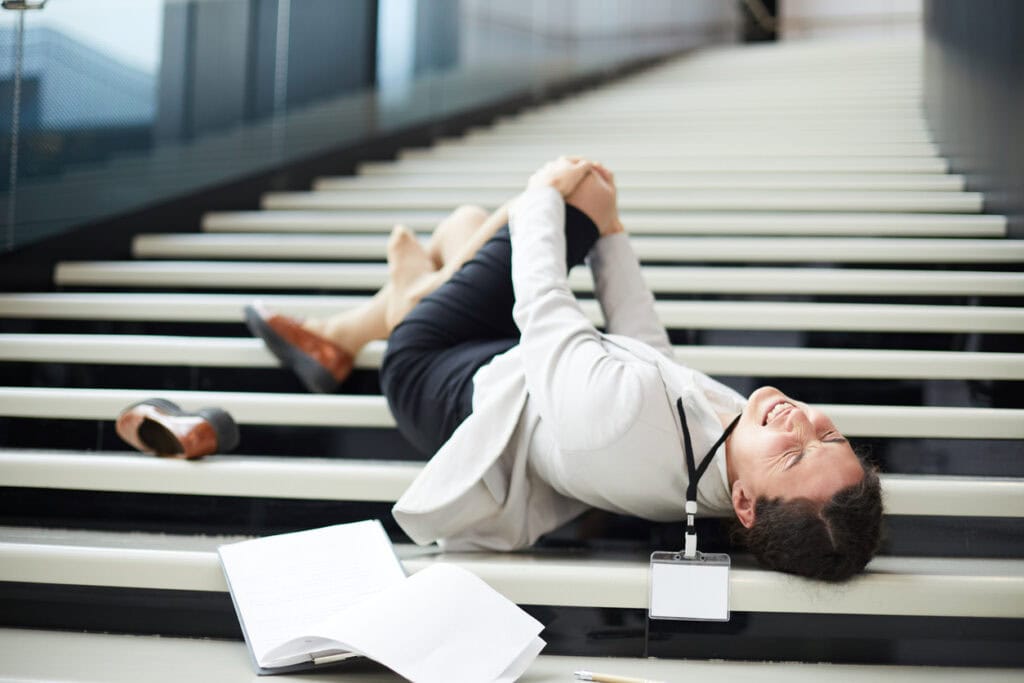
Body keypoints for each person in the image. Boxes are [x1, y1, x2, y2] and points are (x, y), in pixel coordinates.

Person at [246, 157, 883, 582]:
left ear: (745, 504)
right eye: (829, 435)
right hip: (516, 372)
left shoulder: (626, 422)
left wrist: (544, 193)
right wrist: (613, 234)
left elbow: (544, 303)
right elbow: (648, 354)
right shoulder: (721, 458)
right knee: (467, 225)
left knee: (580, 191)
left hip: (432, 371)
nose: (802, 422)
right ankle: (367, 319)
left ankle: (400, 306)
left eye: (793, 455)